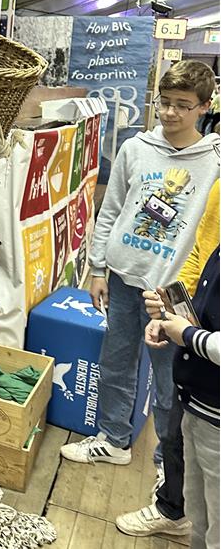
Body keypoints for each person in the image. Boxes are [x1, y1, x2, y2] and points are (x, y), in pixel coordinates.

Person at [60, 60, 219, 470]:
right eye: (164, 102)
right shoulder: (135, 148)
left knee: (170, 382)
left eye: (182, 105)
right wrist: (97, 268)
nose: (169, 113)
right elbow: (110, 210)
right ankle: (114, 439)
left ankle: (170, 463)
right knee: (115, 361)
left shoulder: (214, 161)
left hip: (173, 292)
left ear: (204, 106)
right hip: (123, 275)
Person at [115, 179, 219, 539]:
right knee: (180, 441)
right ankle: (172, 510)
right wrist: (172, 312)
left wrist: (187, 334)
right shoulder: (219, 189)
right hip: (198, 376)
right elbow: (201, 259)